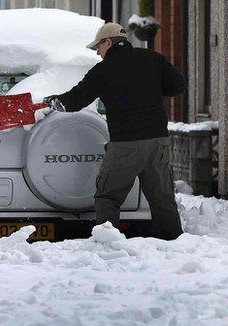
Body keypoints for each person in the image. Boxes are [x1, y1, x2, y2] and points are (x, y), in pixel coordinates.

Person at [43, 22, 185, 240]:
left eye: (98, 47)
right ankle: (173, 242)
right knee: (162, 197)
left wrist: (50, 102)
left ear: (108, 42)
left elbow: (75, 100)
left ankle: (108, 245)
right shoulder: (152, 59)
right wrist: (149, 87)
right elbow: (178, 87)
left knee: (108, 196)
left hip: (127, 144)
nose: (98, 54)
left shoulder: (104, 69)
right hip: (158, 141)